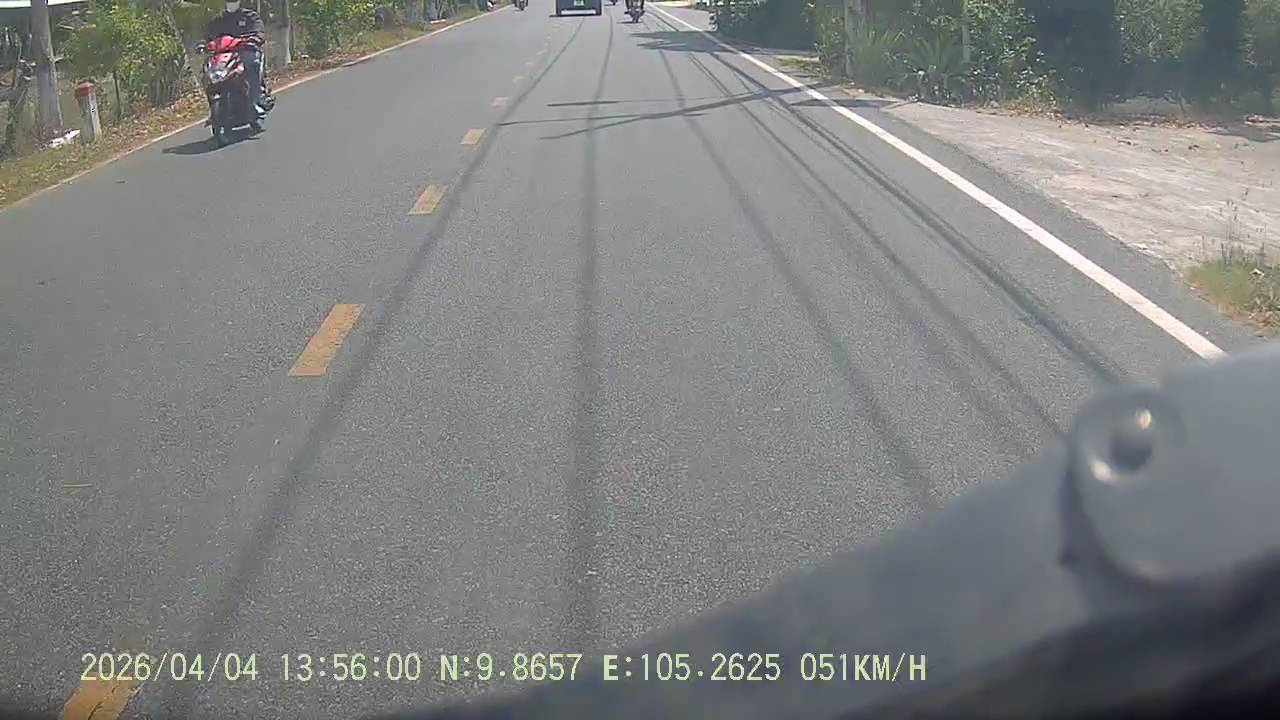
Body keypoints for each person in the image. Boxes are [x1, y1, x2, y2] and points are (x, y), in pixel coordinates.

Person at [206, 1, 267, 121]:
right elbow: (208, 37)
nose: (231, 3)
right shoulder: (218, 21)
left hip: (246, 50)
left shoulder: (250, 16)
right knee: (209, 70)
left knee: (252, 63)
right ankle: (214, 108)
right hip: (223, 54)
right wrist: (203, 44)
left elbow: (259, 31)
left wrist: (256, 38)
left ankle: (256, 100)